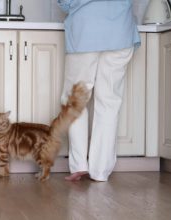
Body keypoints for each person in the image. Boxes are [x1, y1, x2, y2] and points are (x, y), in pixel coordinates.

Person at [57, 0, 141, 182]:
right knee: (109, 102)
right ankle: (100, 171)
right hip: (120, 32)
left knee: (76, 100)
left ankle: (79, 164)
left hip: (85, 31)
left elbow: (64, 3)